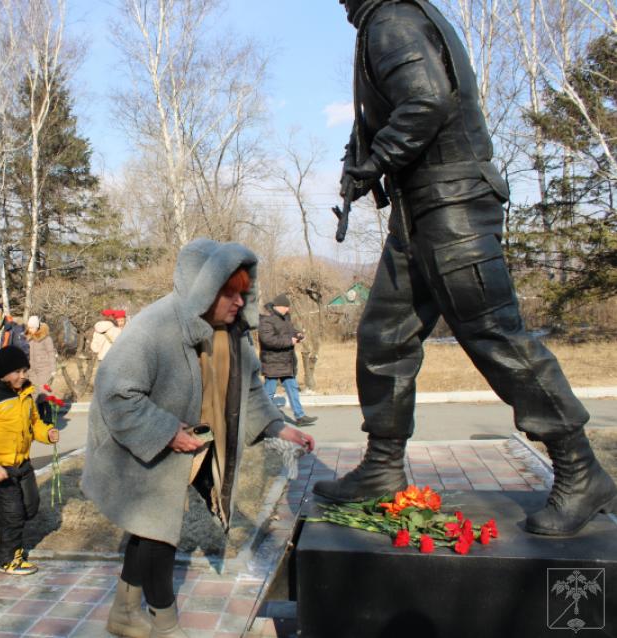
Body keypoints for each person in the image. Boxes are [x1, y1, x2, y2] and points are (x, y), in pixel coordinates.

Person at [319, 0, 616, 536]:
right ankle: (383, 466)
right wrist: (361, 153)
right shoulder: (387, 21)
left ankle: (580, 470)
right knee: (385, 337)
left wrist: (375, 162)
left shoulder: (391, 21)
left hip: (451, 208)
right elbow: (400, 106)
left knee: (496, 337)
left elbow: (426, 100)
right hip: (420, 214)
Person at [83, 239, 315, 636]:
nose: (239, 302)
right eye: (229, 293)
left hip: (183, 448)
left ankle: (124, 613)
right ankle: (166, 627)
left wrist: (279, 427)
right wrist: (167, 432)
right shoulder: (153, 328)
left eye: (243, 293)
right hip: (139, 451)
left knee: (147, 530)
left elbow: (250, 390)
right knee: (159, 534)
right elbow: (116, 393)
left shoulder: (233, 334)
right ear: (202, 290)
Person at [0, 346, 60, 575]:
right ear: (4, 372)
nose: (23, 376)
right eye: (17, 371)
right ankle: (9, 559)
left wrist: (46, 433)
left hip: (22, 463)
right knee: (13, 515)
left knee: (30, 507)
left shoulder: (25, 393)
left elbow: (34, 422)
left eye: (25, 370)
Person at [259, 294, 317, 426]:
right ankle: (262, 419)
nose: (288, 309)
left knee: (293, 388)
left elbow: (289, 331)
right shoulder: (266, 319)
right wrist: (289, 341)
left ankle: (300, 417)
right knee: (269, 393)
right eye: (286, 307)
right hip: (272, 363)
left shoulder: (285, 317)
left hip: (286, 362)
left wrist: (297, 334)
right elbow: (268, 340)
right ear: (278, 306)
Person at [25, 316, 57, 422]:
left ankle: (49, 417)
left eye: (32, 327)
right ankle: (40, 417)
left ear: (37, 327)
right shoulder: (27, 338)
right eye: (29, 327)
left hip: (44, 369)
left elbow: (51, 353)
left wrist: (53, 369)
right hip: (31, 370)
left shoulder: (46, 338)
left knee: (44, 392)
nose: (30, 329)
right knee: (36, 394)